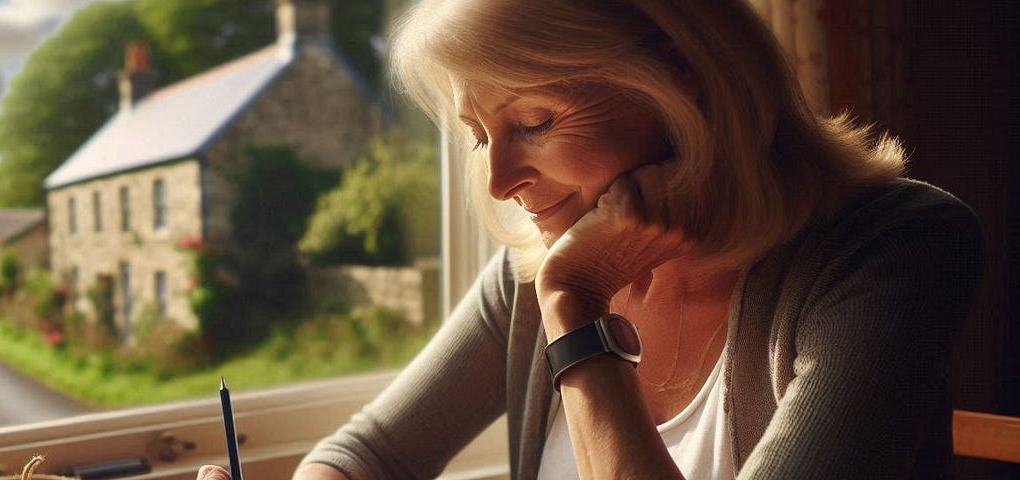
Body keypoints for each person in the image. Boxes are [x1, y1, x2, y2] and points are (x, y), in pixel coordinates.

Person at [196, 0, 983, 479]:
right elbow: (370, 454)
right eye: (480, 136)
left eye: (533, 122)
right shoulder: (535, 267)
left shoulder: (895, 251)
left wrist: (575, 313)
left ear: (685, 83)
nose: (502, 180)